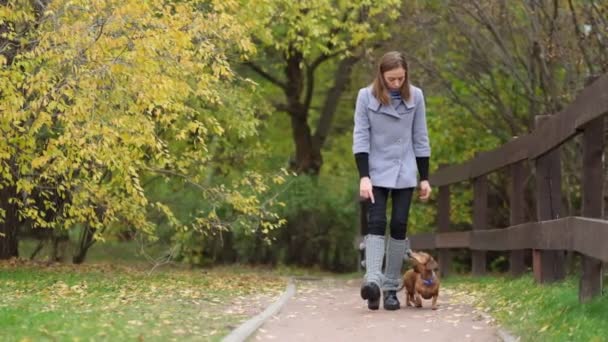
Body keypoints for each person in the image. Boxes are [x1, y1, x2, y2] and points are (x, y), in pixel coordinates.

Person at [352, 51, 431, 311]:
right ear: (381, 76)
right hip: (375, 170)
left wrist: (425, 177)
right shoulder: (366, 96)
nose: (396, 83)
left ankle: (390, 288)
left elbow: (420, 137)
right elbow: (361, 137)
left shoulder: (416, 96)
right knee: (376, 221)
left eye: (400, 78)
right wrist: (364, 175)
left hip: (404, 170)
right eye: (391, 79)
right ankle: (372, 282)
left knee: (398, 225)